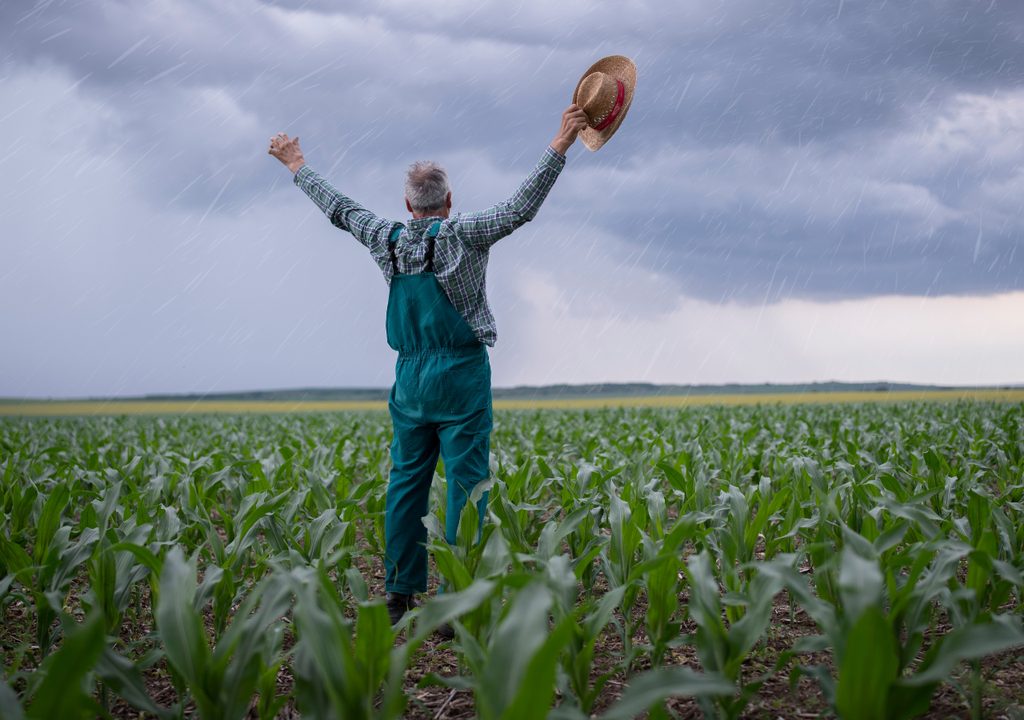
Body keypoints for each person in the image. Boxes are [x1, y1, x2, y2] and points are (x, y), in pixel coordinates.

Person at [268, 56, 635, 638]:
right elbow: (520, 209)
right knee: (468, 487)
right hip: (463, 376)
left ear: (409, 205)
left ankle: (398, 597)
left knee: (405, 485)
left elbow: (340, 209)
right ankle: (460, 602)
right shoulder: (466, 233)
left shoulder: (384, 236)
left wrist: (297, 164)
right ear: (448, 200)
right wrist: (559, 146)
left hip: (410, 381)